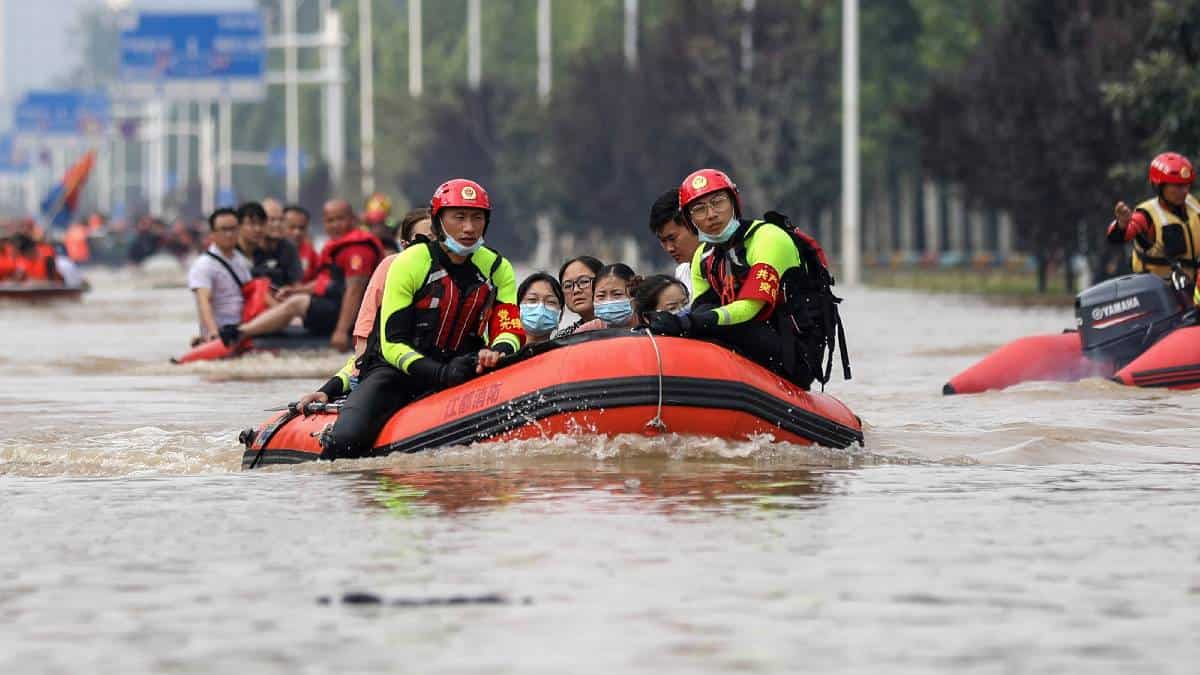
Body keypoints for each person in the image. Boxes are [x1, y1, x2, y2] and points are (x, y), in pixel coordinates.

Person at [312, 178, 523, 460]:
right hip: (397, 373)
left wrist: (495, 353)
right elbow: (392, 344)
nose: (469, 228)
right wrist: (439, 374)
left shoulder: (498, 268)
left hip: (463, 367)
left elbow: (509, 329)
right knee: (345, 442)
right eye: (459, 217)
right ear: (438, 222)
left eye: (477, 218)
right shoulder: (410, 263)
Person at [645, 168, 819, 388]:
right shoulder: (703, 256)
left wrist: (686, 322)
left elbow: (749, 309)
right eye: (699, 209)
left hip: (794, 354)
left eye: (718, 202)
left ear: (734, 203)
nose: (711, 215)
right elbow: (702, 309)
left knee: (706, 325)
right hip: (749, 342)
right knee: (698, 326)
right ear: (689, 220)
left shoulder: (768, 239)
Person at [221, 199, 383, 351]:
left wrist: (341, 331)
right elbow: (326, 282)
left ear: (353, 219)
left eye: (340, 219)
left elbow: (354, 291)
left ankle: (241, 332)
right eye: (330, 220)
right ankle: (239, 329)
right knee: (293, 299)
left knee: (298, 303)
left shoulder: (357, 249)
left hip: (357, 316)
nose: (335, 225)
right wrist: (295, 290)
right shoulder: (235, 253)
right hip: (333, 307)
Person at [1109, 152, 1200, 284]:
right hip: (1160, 294)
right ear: (1160, 186)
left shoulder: (1193, 204)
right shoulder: (1146, 215)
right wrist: (1122, 224)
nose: (1185, 191)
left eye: (1187, 185)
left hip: (1192, 290)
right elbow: (1117, 237)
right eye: (1178, 186)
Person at [187, 208, 251, 343]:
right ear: (212, 234)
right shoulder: (203, 265)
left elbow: (250, 292)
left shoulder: (240, 259)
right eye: (223, 230)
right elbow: (204, 301)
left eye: (233, 229)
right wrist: (213, 333)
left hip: (245, 326)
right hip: (223, 331)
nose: (229, 234)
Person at [239, 200, 302, 287]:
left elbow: (296, 284)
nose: (277, 224)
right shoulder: (248, 247)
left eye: (281, 219)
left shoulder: (289, 248)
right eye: (271, 220)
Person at [648, 188, 700, 294]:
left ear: (694, 224)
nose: (669, 248)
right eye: (663, 241)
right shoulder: (681, 273)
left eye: (672, 239)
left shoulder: (724, 264)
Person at [576, 263, 641, 332]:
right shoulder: (585, 333)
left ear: (635, 296)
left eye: (617, 294)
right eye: (601, 296)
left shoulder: (651, 330)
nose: (608, 301)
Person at [554, 255, 604, 338]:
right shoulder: (563, 338)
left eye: (584, 281)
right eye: (568, 285)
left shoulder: (624, 327)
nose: (576, 290)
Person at [517, 272, 565, 346]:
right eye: (532, 299)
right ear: (518, 309)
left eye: (550, 302)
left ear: (561, 314)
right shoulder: (503, 353)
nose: (540, 308)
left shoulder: (566, 353)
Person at [284, 204, 321, 282]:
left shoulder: (311, 253)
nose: (297, 232)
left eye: (301, 228)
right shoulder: (271, 250)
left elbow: (321, 280)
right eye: (292, 227)